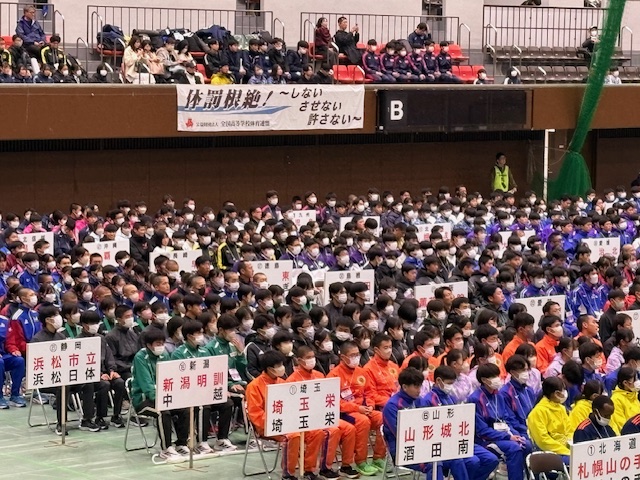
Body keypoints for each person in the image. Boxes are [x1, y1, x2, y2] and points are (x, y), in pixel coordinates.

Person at [246, 350, 325, 480]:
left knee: (317, 432)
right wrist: (280, 422)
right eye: (278, 365)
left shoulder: (283, 383)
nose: (282, 368)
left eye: (282, 364)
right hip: (267, 426)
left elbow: (293, 407)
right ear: (269, 369)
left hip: (289, 423)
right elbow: (256, 414)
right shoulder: (254, 386)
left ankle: (309, 471)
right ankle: (288, 474)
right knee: (293, 436)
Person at [383, 367, 472, 480]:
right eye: (416, 386)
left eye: (420, 386)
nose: (419, 390)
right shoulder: (392, 406)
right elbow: (400, 435)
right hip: (404, 451)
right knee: (434, 463)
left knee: (456, 458)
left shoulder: (419, 400)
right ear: (404, 387)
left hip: (426, 445)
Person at [288, 346, 360, 479]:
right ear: (299, 360)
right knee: (331, 431)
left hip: (322, 415)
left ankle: (346, 465)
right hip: (304, 419)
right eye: (308, 358)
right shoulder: (292, 381)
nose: (312, 360)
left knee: (349, 429)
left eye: (312, 357)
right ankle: (316, 469)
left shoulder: (320, 375)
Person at [33, 305, 99, 435]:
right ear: (48, 320)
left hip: (65, 376)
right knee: (63, 387)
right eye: (55, 315)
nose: (59, 317)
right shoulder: (37, 340)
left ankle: (87, 420)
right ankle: (61, 423)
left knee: (87, 382)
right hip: (47, 379)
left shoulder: (61, 337)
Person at [171, 319, 235, 452]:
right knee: (203, 406)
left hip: (205, 392)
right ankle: (202, 442)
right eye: (199, 333)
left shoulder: (204, 352)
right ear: (190, 336)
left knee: (227, 403)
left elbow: (212, 374)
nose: (202, 336)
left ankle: (222, 439)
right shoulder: (178, 353)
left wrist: (221, 389)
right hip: (187, 394)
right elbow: (178, 378)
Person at [327, 341, 385, 476]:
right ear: (343, 357)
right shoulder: (334, 375)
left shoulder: (362, 372)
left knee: (382, 418)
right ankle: (361, 461)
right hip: (345, 412)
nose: (356, 358)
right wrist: (357, 408)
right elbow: (334, 402)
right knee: (363, 421)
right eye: (352, 355)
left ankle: (378, 457)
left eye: (357, 354)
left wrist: (370, 405)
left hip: (364, 409)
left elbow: (369, 392)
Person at [131, 327, 189, 460]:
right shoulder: (140, 358)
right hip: (143, 400)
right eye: (158, 343)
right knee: (162, 412)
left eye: (162, 343)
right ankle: (166, 448)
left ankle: (181, 444)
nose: (161, 346)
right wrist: (160, 399)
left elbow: (171, 377)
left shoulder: (164, 355)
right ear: (148, 345)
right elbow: (147, 386)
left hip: (165, 397)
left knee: (185, 409)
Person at [469, 363, 531, 480]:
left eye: (497, 375)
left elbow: (506, 419)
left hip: (503, 435)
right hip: (486, 440)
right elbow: (482, 430)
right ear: (484, 380)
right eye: (493, 377)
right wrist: (508, 437)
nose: (497, 379)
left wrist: (515, 434)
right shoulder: (475, 399)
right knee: (514, 448)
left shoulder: (499, 395)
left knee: (525, 443)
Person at [526, 377, 572, 465]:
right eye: (562, 390)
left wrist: (571, 444)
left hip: (565, 447)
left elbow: (569, 429)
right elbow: (543, 441)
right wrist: (565, 451)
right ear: (555, 394)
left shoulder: (561, 408)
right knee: (575, 461)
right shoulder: (537, 412)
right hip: (548, 451)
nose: (564, 393)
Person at [0, 314, 26, 408]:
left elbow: (10, 341)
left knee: (19, 360)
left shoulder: (5, 321)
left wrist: (13, 349)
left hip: (3, 355)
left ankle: (15, 395)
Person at [610, 366, 640, 434]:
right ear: (625, 383)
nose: (637, 382)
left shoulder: (635, 394)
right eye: (634, 380)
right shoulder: (616, 400)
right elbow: (621, 425)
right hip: (630, 434)